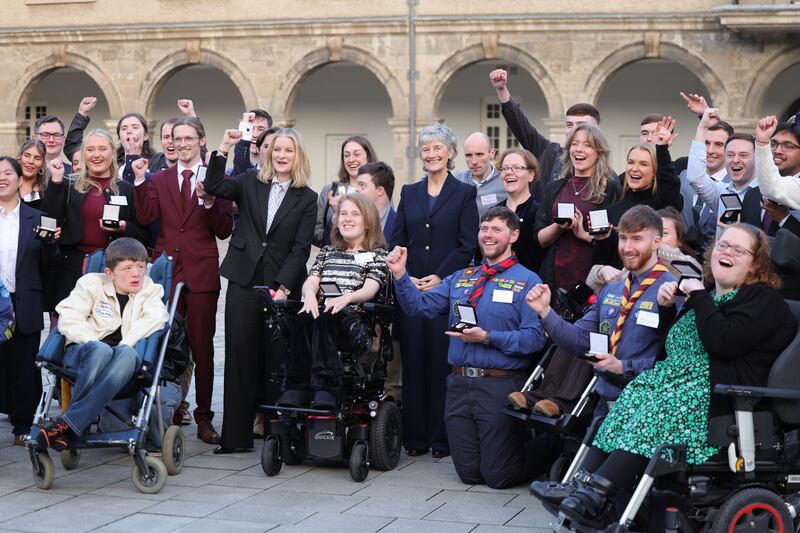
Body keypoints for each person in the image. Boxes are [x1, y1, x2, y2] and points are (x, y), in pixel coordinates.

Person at [545, 224, 796, 525]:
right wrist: (667, 309)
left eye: (738, 250)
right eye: (722, 245)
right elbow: (675, 346)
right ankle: (582, 485)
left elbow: (722, 342)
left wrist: (699, 295)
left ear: (755, 263)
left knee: (660, 402)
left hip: (718, 394)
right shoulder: (708, 295)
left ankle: (597, 494)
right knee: (637, 393)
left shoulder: (763, 300)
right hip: (677, 381)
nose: (727, 252)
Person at [388, 206, 547, 488]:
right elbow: (419, 305)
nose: (488, 235)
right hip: (459, 384)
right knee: (469, 475)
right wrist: (400, 275)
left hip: (500, 385)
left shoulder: (528, 280)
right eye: (484, 229)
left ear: (514, 235)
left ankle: (551, 446)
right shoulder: (461, 277)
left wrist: (487, 337)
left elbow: (534, 339)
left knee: (498, 477)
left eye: (497, 229)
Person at [203, 126, 316, 453]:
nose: (282, 155)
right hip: (243, 278)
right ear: (269, 153)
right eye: (277, 149)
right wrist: (223, 147)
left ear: (297, 156)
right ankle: (234, 439)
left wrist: (283, 286)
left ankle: (276, 435)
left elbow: (300, 248)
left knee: (277, 359)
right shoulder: (250, 181)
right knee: (239, 354)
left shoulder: (307, 197)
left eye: (288, 151)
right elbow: (213, 185)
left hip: (281, 285)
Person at [525, 206, 674, 417]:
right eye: (623, 238)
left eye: (637, 239)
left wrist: (624, 367)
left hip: (647, 409)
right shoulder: (612, 289)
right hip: (605, 406)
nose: (627, 247)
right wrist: (545, 312)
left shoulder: (671, 291)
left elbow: (674, 361)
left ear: (657, 241)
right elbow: (578, 339)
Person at [390, 122, 479, 458]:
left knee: (442, 363)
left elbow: (467, 245)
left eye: (437, 148)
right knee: (413, 361)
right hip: (411, 289)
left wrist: (441, 277)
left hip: (445, 290)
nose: (431, 154)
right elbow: (398, 239)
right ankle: (415, 437)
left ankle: (441, 439)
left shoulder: (464, 193)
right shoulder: (409, 192)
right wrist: (407, 275)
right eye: (426, 149)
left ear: (450, 153)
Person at [35, 238, 169, 451]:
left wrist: (125, 344)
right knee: (100, 349)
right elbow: (69, 316)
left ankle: (68, 425)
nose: (136, 274)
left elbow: (156, 318)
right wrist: (92, 340)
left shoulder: (150, 290)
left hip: (120, 363)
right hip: (84, 353)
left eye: (141, 267)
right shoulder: (91, 283)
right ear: (109, 273)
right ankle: (74, 423)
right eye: (127, 268)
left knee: (127, 354)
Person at [278, 193, 388, 408]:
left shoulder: (378, 255)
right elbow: (311, 281)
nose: (347, 218)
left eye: (355, 214)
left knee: (327, 318)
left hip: (353, 319)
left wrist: (346, 298)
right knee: (302, 318)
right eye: (343, 213)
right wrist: (309, 294)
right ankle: (297, 387)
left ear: (367, 222)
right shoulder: (328, 252)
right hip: (322, 312)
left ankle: (326, 387)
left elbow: (370, 288)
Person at [40, 129, 150, 313]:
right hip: (72, 270)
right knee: (68, 330)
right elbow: (49, 220)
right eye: (90, 150)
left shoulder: (126, 189)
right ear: (84, 155)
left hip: (114, 272)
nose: (96, 155)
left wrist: (123, 228)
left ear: (113, 153)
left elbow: (143, 235)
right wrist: (56, 181)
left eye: (102, 149)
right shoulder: (68, 184)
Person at [0, 157, 58, 444]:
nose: (2, 178)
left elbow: (49, 263)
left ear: (19, 178)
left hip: (24, 299)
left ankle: (23, 424)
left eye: (7, 172)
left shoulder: (37, 217)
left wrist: (51, 244)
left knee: (23, 365)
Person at [533, 124, 620, 295]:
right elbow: (539, 239)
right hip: (554, 275)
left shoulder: (611, 190)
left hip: (592, 277)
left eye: (587, 145)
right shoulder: (554, 188)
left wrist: (584, 235)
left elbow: (616, 242)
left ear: (599, 152)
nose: (579, 149)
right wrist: (559, 226)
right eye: (575, 144)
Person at [489, 68, 602, 196]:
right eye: (569, 125)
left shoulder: (608, 178)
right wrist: (501, 89)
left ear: (596, 130)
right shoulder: (551, 154)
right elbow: (521, 127)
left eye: (582, 125)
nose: (575, 130)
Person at [355, 162, 402, 402]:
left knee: (392, 380)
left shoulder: (401, 221)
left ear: (380, 190)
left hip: (392, 312)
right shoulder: (354, 223)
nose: (356, 190)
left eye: (362, 185)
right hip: (358, 311)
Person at [687, 108, 759, 236]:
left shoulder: (766, 194)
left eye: (743, 155)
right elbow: (695, 178)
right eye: (730, 155)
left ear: (756, 159)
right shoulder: (721, 191)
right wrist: (702, 127)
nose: (735, 160)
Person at [314, 136, 378, 247]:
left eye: (357, 154)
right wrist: (336, 217)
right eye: (346, 155)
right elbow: (316, 233)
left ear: (368, 157)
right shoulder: (330, 190)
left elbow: (385, 229)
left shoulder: (378, 190)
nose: (351, 159)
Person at [495, 147, 544, 272]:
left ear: (531, 175)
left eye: (517, 168)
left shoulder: (540, 212)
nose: (509, 172)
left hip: (531, 285)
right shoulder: (494, 212)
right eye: (505, 168)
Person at [454, 132, 506, 218]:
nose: (474, 161)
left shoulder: (505, 182)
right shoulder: (456, 180)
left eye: (479, 154)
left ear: (492, 153)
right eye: (469, 155)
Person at [755, 114, 800, 210]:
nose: (778, 151)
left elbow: (772, 187)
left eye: (788, 146)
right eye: (773, 144)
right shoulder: (753, 193)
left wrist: (762, 142)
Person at [231, 109, 273, 176]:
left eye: (261, 129)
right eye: (250, 129)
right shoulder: (228, 173)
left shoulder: (277, 171)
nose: (255, 134)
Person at [17, 139, 47, 209]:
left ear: (42, 163)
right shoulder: (7, 187)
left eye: (37, 158)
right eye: (27, 155)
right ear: (19, 157)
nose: (31, 161)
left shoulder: (47, 192)